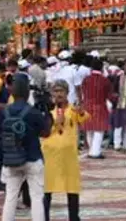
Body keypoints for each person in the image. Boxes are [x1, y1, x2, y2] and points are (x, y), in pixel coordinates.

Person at [1, 74, 49, 221]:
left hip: (11, 157)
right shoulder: (33, 112)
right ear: (28, 92)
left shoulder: (5, 111)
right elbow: (45, 132)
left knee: (10, 197)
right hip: (32, 158)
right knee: (37, 197)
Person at [43, 79, 87, 221]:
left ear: (67, 93)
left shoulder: (72, 109)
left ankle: (74, 217)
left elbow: (84, 118)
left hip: (69, 156)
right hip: (50, 155)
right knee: (47, 188)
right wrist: (56, 122)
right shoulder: (46, 110)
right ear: (51, 94)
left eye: (61, 91)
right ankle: (44, 217)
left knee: (72, 187)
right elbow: (42, 130)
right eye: (56, 91)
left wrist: (80, 112)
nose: (59, 94)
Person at [79, 58, 111, 159]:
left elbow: (83, 92)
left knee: (89, 129)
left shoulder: (86, 79)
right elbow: (108, 94)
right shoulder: (105, 80)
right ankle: (95, 152)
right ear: (101, 67)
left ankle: (91, 150)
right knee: (99, 130)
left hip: (87, 105)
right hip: (100, 105)